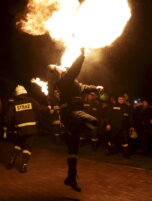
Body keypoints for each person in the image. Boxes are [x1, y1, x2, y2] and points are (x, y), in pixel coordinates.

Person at [53, 48, 103, 192]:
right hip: (72, 114)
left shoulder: (74, 84)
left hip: (75, 117)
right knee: (94, 122)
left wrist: (96, 88)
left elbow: (84, 87)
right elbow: (75, 69)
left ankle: (71, 178)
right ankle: (73, 132)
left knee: (73, 151)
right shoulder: (64, 81)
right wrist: (81, 55)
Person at [5, 85, 49, 173]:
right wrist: (48, 108)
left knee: (18, 145)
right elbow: (40, 108)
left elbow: (8, 118)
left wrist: (12, 127)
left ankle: (11, 161)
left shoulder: (14, 104)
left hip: (20, 130)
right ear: (25, 92)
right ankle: (23, 166)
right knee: (27, 148)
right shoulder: (31, 101)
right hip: (31, 130)